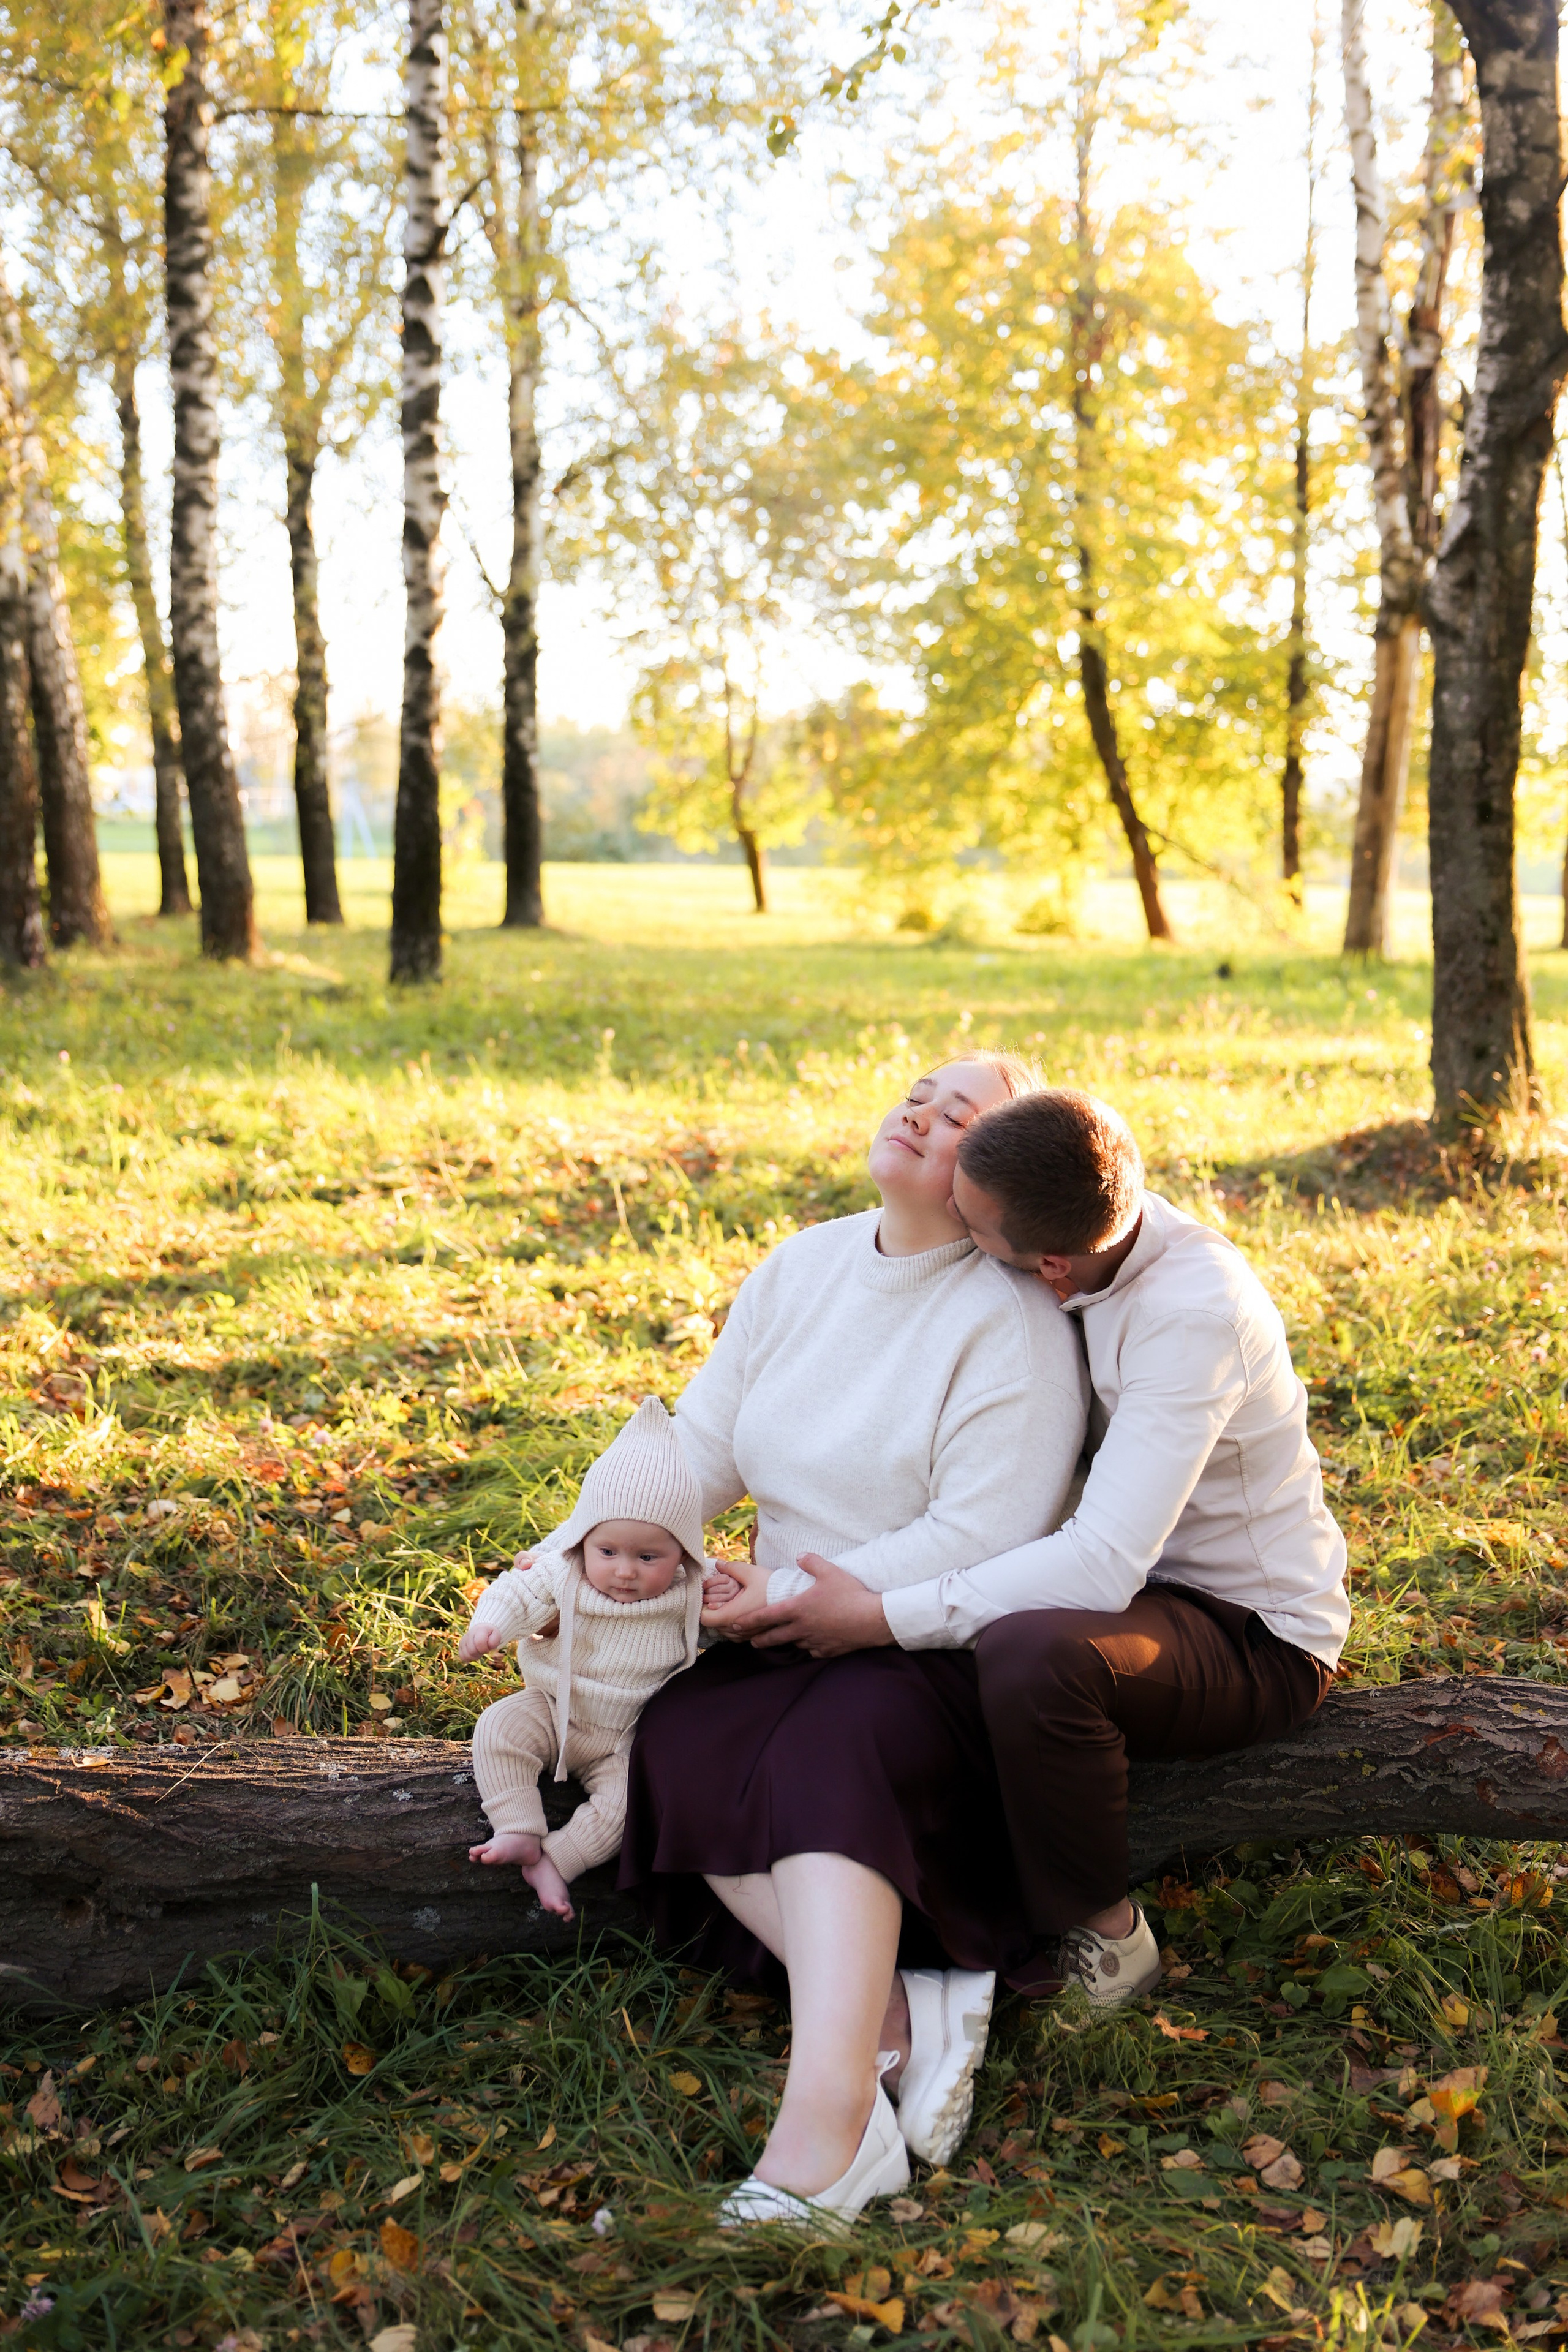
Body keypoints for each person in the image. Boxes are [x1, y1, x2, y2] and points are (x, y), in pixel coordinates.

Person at [731, 1085, 1348, 2027]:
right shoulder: (1079, 1196)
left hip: (1246, 1629)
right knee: (964, 1659)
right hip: (1133, 1589)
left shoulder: (1190, 1316)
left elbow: (1099, 1566)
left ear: (1052, 1268)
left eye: (974, 1235)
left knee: (1029, 1653)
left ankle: (1109, 1931)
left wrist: (880, 1616)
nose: (961, 1240)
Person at [619, 1053, 1091, 2229]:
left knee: (835, 1750)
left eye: (963, 1115)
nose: (923, 1112)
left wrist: (797, 1589)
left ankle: (827, 2136)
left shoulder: (1013, 1326)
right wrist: (584, 1540)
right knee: (668, 1736)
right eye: (921, 1092)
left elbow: (988, 1533)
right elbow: (702, 1447)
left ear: (995, 1178)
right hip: (783, 1620)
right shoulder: (806, 1265)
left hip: (932, 1645)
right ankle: (895, 2014)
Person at [459, 1398, 737, 1920]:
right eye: (608, 1551)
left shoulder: (691, 1591)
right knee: (498, 1727)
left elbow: (731, 1637)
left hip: (629, 1735)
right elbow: (520, 1593)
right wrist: (489, 1627)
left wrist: (726, 1605)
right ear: (583, 1540)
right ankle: (517, 1826)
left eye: (648, 1557)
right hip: (553, 1707)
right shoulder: (564, 1572)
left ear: (685, 1555)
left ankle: (559, 1861)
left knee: (629, 1809)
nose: (625, 1572)